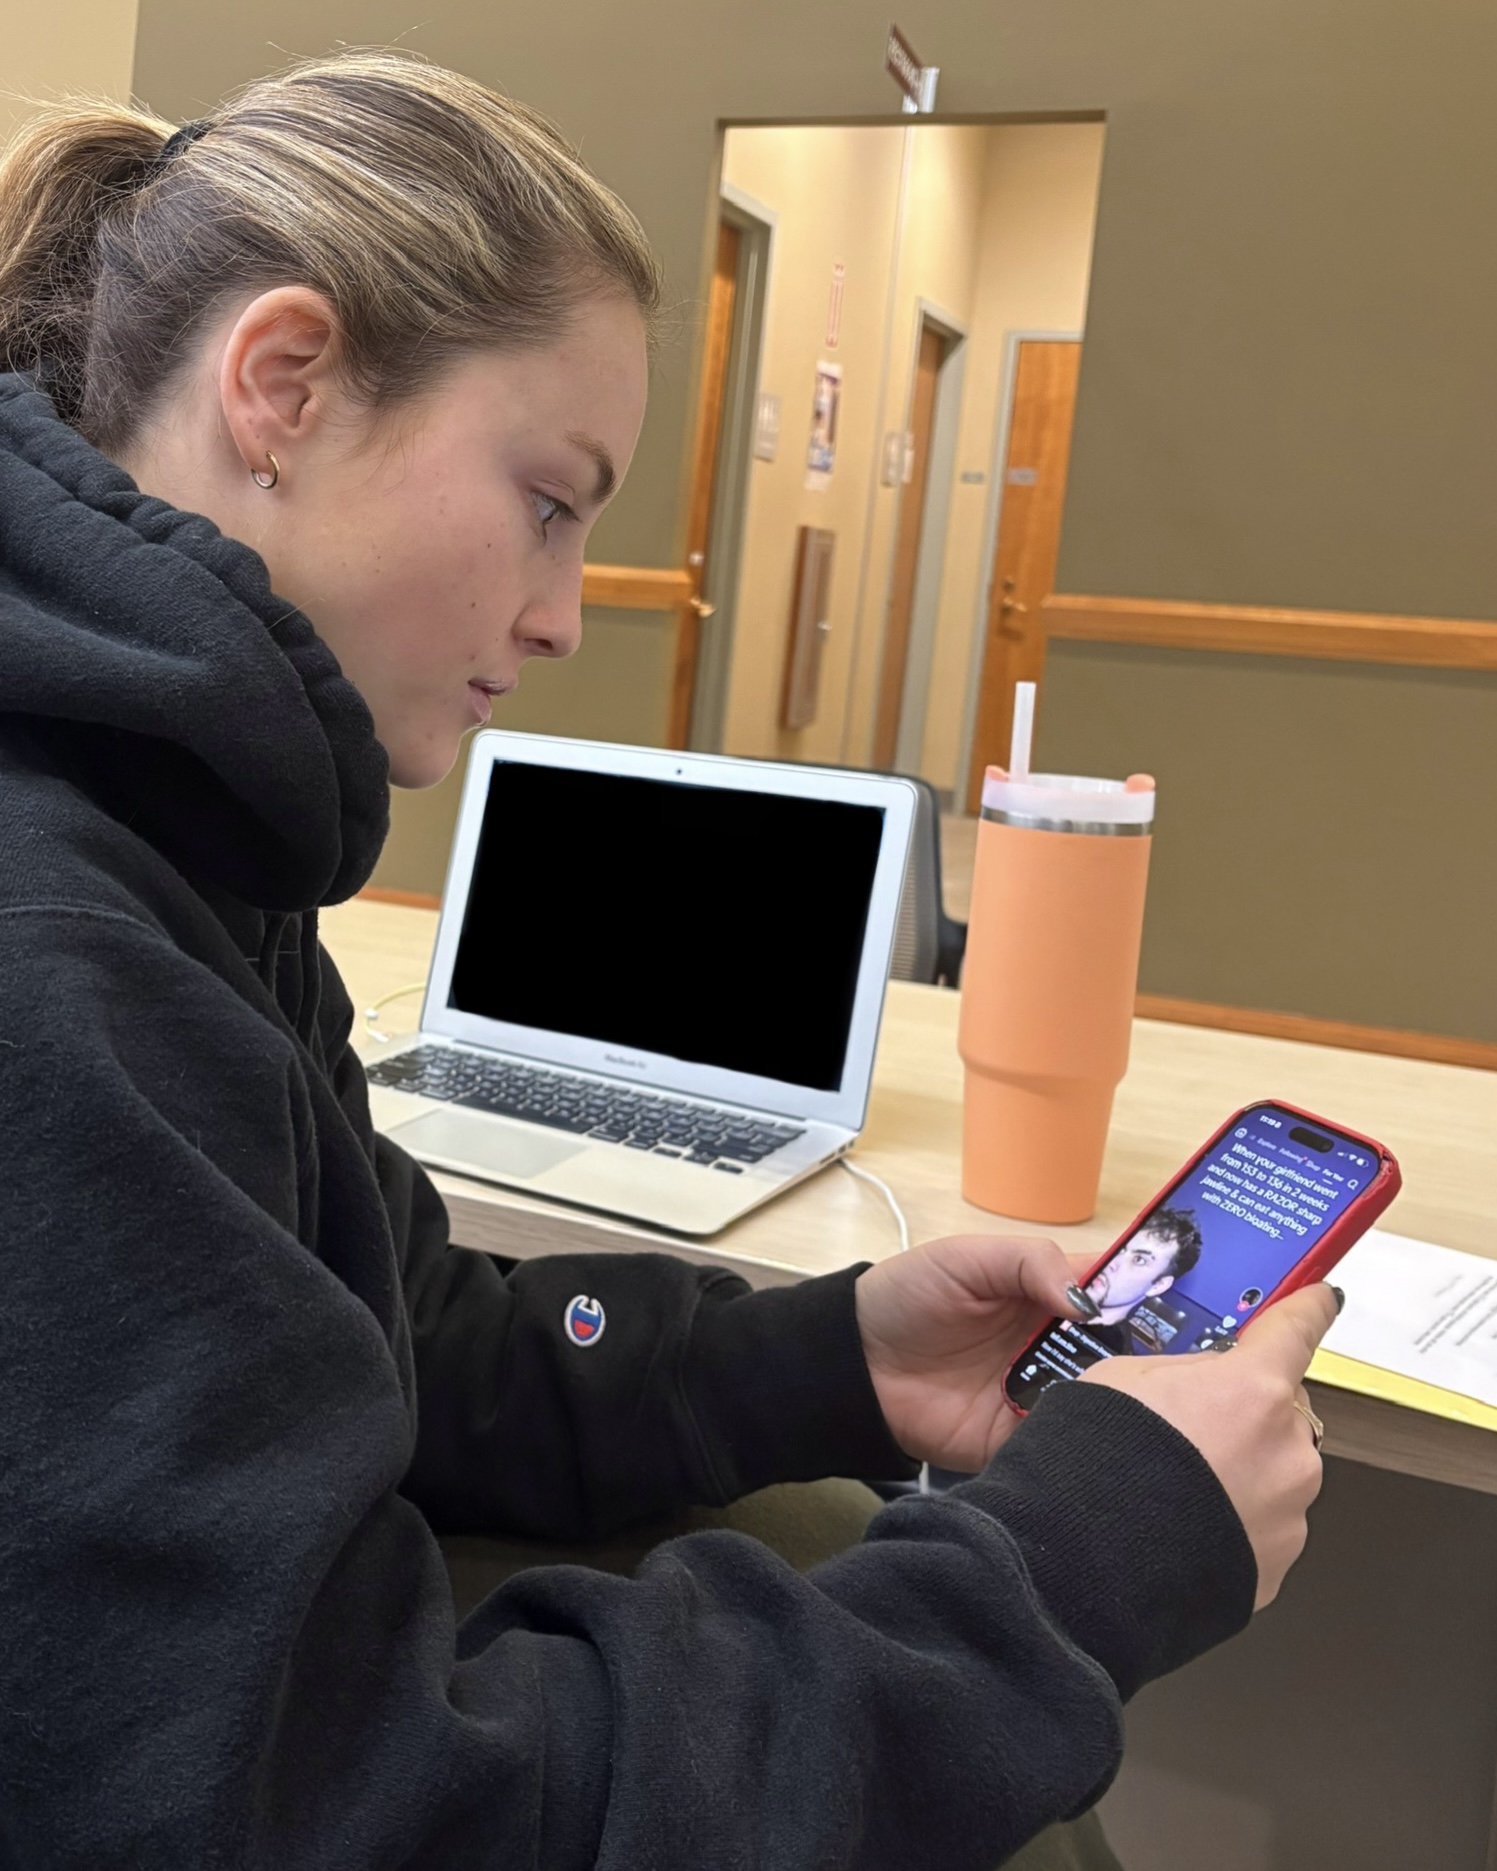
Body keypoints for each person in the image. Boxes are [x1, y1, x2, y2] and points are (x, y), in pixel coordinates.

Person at [0, 51, 1340, 1871]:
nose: (561, 614)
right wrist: (1067, 1570)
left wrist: (835, 1358)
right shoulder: (67, 956)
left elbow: (424, 1341)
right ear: (285, 383)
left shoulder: (188, 836)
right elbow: (354, 1814)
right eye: (550, 499)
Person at [1084, 1207, 1205, 1353]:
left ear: (1158, 1286)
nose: (1112, 1263)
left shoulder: (1115, 1356)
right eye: (1121, 1248)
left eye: (1139, 1260)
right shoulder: (1063, 1301)